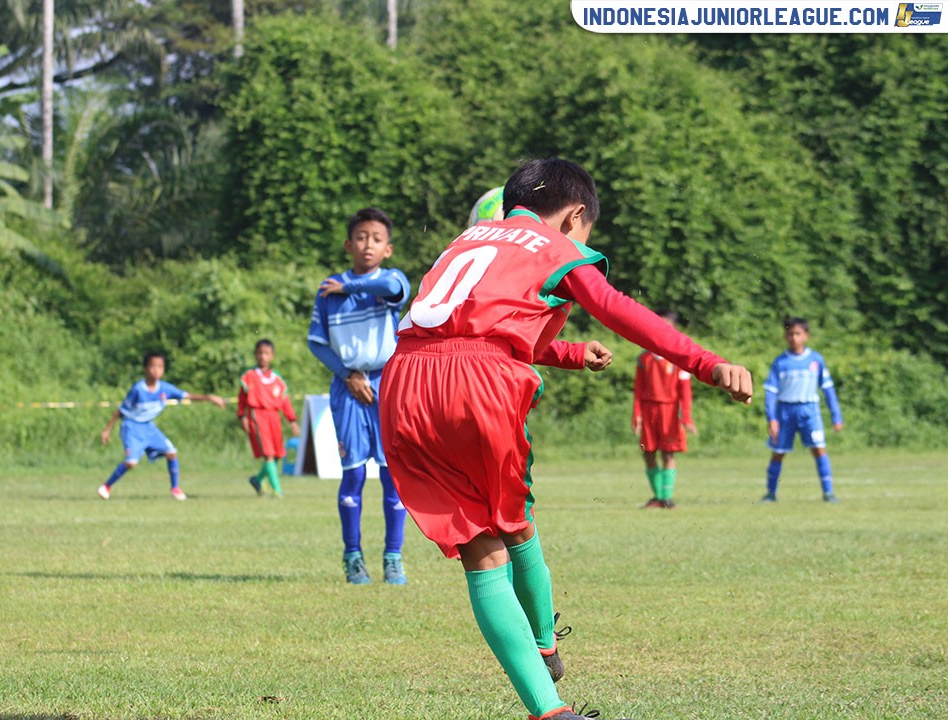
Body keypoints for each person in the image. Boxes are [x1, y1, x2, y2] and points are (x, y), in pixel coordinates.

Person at [379, 158, 753, 720]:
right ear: (576, 215)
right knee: (515, 522)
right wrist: (705, 362)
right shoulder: (553, 246)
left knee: (482, 552)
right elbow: (614, 307)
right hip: (479, 385)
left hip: (404, 381)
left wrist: (572, 354)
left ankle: (549, 703)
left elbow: (471, 325)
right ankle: (544, 644)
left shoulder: (464, 241)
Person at [307, 207, 411, 586]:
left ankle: (393, 558)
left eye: (377, 239)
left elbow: (394, 290)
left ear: (388, 249)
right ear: (348, 244)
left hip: (387, 383)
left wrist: (349, 288)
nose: (369, 244)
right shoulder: (328, 291)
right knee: (352, 473)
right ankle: (353, 558)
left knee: (392, 474)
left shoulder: (391, 280)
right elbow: (316, 343)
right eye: (362, 237)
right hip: (348, 387)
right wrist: (347, 374)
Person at [98, 351, 225, 501]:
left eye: (160, 367)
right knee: (131, 462)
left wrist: (209, 398)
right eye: (153, 366)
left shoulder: (165, 389)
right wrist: (107, 430)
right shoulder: (138, 389)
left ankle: (175, 488)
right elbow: (121, 410)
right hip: (132, 427)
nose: (156, 370)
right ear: (145, 368)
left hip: (148, 427)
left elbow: (187, 396)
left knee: (171, 452)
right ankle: (106, 486)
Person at [761, 317, 843, 503]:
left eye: (798, 334)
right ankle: (771, 493)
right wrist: (772, 418)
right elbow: (771, 393)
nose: (794, 338)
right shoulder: (780, 362)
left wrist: (836, 416)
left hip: (809, 411)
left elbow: (828, 390)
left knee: (819, 449)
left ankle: (828, 493)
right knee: (778, 452)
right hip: (785, 412)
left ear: (806, 336)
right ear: (785, 336)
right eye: (790, 334)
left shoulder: (816, 360)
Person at [633, 309, 697, 509]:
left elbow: (685, 391)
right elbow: (638, 390)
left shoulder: (679, 359)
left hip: (669, 411)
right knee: (648, 453)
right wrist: (636, 416)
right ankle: (658, 497)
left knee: (668, 454)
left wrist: (686, 417)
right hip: (649, 410)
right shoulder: (644, 359)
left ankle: (667, 498)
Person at [238, 339, 300, 498]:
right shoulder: (249, 376)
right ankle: (277, 490)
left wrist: (292, 420)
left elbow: (285, 402)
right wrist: (242, 416)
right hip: (257, 416)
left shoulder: (277, 379)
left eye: (266, 353)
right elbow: (242, 400)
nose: (263, 356)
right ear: (255, 355)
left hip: (274, 417)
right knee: (268, 453)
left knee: (278, 454)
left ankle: (257, 479)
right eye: (260, 353)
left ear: (272, 356)